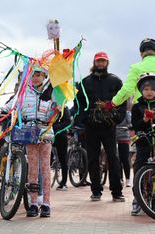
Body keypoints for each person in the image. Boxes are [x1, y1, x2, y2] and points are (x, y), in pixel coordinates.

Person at [1, 68, 56, 217]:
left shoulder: (52, 92)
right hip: (29, 132)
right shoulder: (23, 92)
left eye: (39, 75)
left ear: (44, 76)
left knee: (44, 167)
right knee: (32, 168)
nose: (36, 78)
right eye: (34, 75)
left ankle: (46, 203)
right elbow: (11, 105)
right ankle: (33, 204)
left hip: (45, 131)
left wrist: (57, 108)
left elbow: (58, 107)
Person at [75, 51, 126, 202]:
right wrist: (83, 119)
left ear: (107, 63)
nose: (101, 64)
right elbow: (79, 104)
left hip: (109, 127)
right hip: (91, 127)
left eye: (103, 61)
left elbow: (122, 102)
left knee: (113, 158)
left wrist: (116, 118)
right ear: (94, 62)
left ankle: (117, 192)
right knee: (92, 159)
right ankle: (96, 190)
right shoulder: (85, 82)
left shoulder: (115, 81)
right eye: (98, 61)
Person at [130, 73, 155, 215]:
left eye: (152, 89)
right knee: (139, 167)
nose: (149, 92)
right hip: (144, 142)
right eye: (146, 89)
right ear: (141, 90)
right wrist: (145, 120)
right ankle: (137, 198)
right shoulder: (137, 106)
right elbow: (136, 126)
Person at [107, 38, 155, 108]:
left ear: (141, 53)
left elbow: (127, 90)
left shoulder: (135, 67)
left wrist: (112, 103)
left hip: (141, 110)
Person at [52, 106, 72, 191]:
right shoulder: (45, 103)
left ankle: (63, 182)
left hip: (60, 135)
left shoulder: (63, 106)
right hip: (46, 135)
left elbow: (68, 121)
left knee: (63, 159)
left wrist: (56, 127)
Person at [116, 109, 132, 187]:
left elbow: (131, 123)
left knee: (125, 159)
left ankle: (128, 179)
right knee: (117, 159)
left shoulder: (127, 113)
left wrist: (129, 127)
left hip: (124, 138)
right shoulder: (113, 112)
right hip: (114, 138)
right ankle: (120, 178)